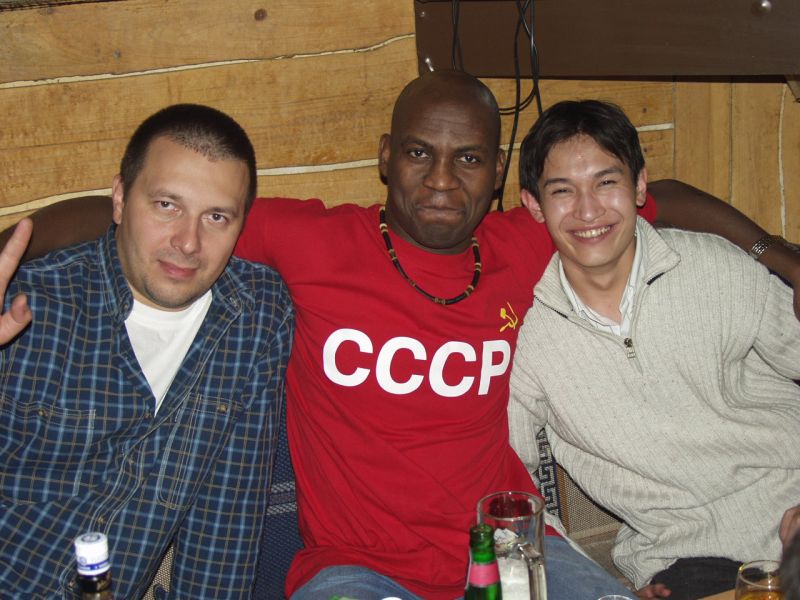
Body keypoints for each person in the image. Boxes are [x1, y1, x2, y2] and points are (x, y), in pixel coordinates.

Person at [6, 70, 800, 599]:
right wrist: (16, 242)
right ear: (387, 157)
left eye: (470, 159)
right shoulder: (313, 241)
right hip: (354, 570)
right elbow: (141, 213)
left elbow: (666, 198)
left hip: (511, 550)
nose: (443, 180)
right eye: (420, 153)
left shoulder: (528, 238)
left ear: (500, 177)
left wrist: (779, 254)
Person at [508, 99, 800, 600]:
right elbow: (514, 489)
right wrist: (595, 583)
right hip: (682, 560)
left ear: (639, 186)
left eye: (606, 182)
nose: (588, 211)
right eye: (562, 191)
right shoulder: (528, 340)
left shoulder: (717, 267)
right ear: (534, 205)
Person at [0, 104, 294, 598]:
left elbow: (225, 525)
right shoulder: (30, 303)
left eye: (216, 216)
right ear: (119, 199)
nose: (188, 242)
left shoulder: (255, 316)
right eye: (166, 205)